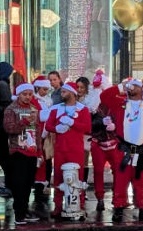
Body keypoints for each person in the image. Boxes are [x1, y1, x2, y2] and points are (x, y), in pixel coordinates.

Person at [106, 78, 143, 222]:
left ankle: (142, 208)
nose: (132, 88)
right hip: (123, 151)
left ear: (142, 89)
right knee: (120, 181)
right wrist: (121, 86)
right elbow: (105, 97)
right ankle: (119, 208)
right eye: (130, 86)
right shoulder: (120, 104)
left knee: (141, 182)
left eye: (135, 86)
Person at [44, 81, 91, 218]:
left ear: (72, 93)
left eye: (64, 92)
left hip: (76, 150)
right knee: (58, 177)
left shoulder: (83, 109)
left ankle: (80, 205)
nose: (61, 94)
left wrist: (72, 123)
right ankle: (58, 206)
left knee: (78, 178)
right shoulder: (55, 108)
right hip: (60, 149)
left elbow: (87, 128)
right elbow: (48, 126)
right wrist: (56, 128)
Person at [4, 82, 43, 224]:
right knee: (19, 183)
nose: (27, 97)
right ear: (19, 94)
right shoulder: (11, 109)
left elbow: (37, 131)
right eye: (24, 94)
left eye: (30, 94)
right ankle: (19, 213)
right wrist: (25, 121)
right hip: (18, 151)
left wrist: (39, 151)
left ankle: (25, 209)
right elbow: (9, 129)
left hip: (32, 151)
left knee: (28, 183)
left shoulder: (34, 109)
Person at [86, 69, 116, 211]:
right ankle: (100, 198)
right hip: (98, 142)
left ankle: (118, 197)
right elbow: (88, 125)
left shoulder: (115, 103)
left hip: (114, 142)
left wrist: (114, 126)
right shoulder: (91, 105)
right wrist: (101, 123)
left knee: (118, 171)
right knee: (98, 171)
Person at [32, 75, 54, 214]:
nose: (45, 92)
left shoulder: (47, 101)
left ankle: (43, 185)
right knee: (39, 162)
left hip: (46, 134)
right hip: (38, 135)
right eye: (43, 89)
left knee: (46, 160)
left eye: (47, 89)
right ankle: (38, 189)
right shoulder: (35, 101)